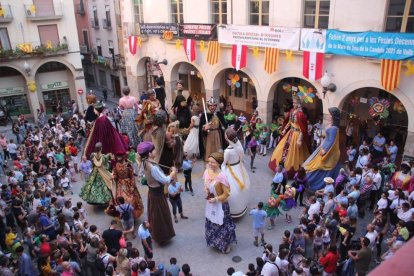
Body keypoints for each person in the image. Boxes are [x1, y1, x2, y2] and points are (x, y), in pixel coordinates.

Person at [138, 141, 175, 243]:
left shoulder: (144, 162)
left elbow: (142, 178)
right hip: (157, 194)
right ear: (149, 153)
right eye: (153, 150)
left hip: (152, 192)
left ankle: (156, 234)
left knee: (154, 214)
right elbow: (165, 180)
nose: (155, 151)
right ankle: (162, 236)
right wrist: (173, 173)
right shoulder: (153, 167)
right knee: (160, 216)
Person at [268, 95, 310, 177]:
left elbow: (303, 129)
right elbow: (289, 122)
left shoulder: (301, 115)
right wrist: (284, 130)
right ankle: (280, 166)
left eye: (295, 103)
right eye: (293, 102)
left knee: (295, 153)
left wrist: (300, 139)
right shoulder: (291, 111)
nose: (293, 104)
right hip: (290, 132)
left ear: (299, 104)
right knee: (282, 149)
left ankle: (292, 171)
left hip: (296, 135)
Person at [204, 152, 236, 254]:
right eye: (209, 162)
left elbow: (226, 194)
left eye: (213, 162)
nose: (210, 164)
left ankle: (225, 244)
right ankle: (214, 242)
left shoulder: (222, 176)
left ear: (219, 163)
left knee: (222, 225)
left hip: (221, 205)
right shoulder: (207, 172)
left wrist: (216, 199)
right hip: (211, 203)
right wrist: (206, 189)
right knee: (212, 222)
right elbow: (206, 185)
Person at [303, 107, 341, 191]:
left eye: (330, 114)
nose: (329, 116)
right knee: (314, 163)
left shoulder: (334, 128)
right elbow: (328, 138)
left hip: (326, 150)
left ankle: (314, 184)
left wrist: (324, 149)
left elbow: (331, 141)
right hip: (323, 146)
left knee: (318, 165)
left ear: (333, 116)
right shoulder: (332, 126)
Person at [222, 128, 251, 218]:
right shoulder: (239, 147)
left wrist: (222, 173)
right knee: (242, 186)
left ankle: (233, 210)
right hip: (239, 168)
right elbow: (240, 158)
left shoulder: (227, 151)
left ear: (227, 139)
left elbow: (224, 163)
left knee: (232, 191)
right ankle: (242, 206)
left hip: (231, 170)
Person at [113, 153, 144, 219]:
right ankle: (122, 215)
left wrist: (132, 186)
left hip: (128, 184)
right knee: (119, 198)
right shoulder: (116, 165)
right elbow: (116, 174)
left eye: (120, 156)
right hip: (120, 184)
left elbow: (132, 176)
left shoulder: (128, 165)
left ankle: (132, 215)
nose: (118, 158)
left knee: (131, 199)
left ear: (123, 157)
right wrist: (113, 177)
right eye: (117, 156)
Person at [198, 97, 227, 161]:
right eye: (210, 106)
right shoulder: (204, 115)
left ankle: (218, 161)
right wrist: (204, 128)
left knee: (218, 150)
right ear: (208, 106)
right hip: (209, 136)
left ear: (216, 106)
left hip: (217, 135)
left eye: (214, 105)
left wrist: (224, 129)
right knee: (209, 150)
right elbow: (201, 129)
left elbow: (224, 126)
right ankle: (209, 162)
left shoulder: (219, 114)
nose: (212, 107)